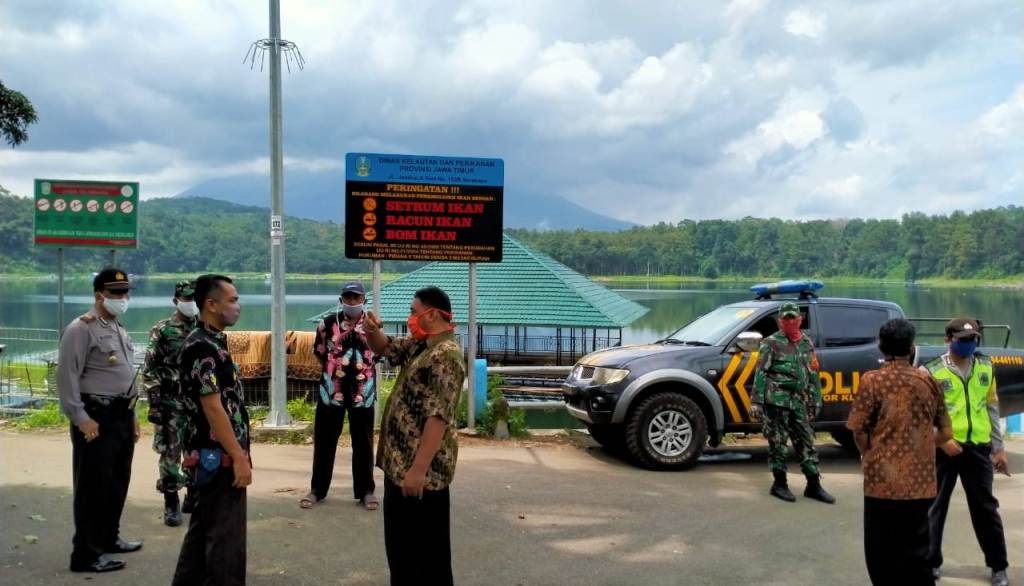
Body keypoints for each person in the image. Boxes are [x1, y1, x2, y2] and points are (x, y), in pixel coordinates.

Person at [364, 286, 465, 586]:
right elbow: (386, 348)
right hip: (400, 467)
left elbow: (438, 417)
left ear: (432, 314)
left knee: (426, 560)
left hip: (420, 475)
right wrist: (371, 331)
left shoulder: (445, 354)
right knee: (401, 553)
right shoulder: (422, 344)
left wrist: (418, 470)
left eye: (413, 311)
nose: (410, 317)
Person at [846, 318, 953, 585]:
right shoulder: (929, 381)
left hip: (881, 481)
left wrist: (867, 453)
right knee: (917, 549)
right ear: (912, 347)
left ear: (881, 346)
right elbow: (947, 433)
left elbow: (858, 429)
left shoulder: (872, 381)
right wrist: (924, 446)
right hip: (920, 481)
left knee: (881, 548)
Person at [57, 267, 143, 573]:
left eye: (125, 292)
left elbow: (122, 377)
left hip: (121, 415)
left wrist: (132, 416)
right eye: (116, 293)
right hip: (96, 417)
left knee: (117, 482)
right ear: (99, 296)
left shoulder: (117, 328)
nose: (123, 298)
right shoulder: (81, 329)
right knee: (93, 486)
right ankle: (85, 555)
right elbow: (66, 378)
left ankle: (108, 539)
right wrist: (81, 417)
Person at [172, 274, 252, 586]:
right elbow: (213, 407)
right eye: (232, 300)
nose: (237, 306)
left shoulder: (213, 341)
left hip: (215, 456)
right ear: (211, 304)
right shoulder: (201, 347)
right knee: (225, 544)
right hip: (217, 459)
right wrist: (239, 456)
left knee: (202, 533)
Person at [924, 317, 1010, 586]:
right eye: (963, 341)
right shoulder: (931, 371)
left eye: (973, 340)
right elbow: (922, 415)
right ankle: (931, 563)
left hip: (978, 448)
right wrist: (940, 440)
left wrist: (998, 448)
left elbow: (991, 406)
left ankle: (998, 566)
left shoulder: (985, 366)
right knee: (934, 508)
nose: (969, 345)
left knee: (986, 509)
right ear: (948, 340)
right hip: (945, 450)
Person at [301, 281, 379, 510]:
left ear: (364, 299)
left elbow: (379, 352)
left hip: (362, 395)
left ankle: (366, 491)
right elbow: (320, 353)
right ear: (341, 299)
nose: (352, 302)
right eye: (348, 297)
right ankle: (317, 490)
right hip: (330, 394)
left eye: (356, 297)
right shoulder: (326, 324)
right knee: (324, 442)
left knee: (363, 443)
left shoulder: (373, 326)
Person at [750, 301, 835, 504]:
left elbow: (813, 371)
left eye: (792, 318)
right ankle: (780, 484)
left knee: (806, 441)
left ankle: (813, 484)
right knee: (778, 444)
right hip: (776, 402)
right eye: (785, 319)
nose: (789, 322)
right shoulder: (770, 343)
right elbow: (760, 373)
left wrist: (816, 398)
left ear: (800, 319)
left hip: (799, 402)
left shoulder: (806, 342)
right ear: (780, 321)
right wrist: (757, 402)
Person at [142, 279, 199, 527]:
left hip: (197, 402)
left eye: (195, 299)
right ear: (176, 301)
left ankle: (193, 496)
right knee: (171, 453)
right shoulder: (163, 330)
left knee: (196, 450)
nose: (191, 304)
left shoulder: (205, 327)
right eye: (186, 299)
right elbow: (149, 369)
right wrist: (154, 402)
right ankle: (171, 501)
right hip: (170, 402)